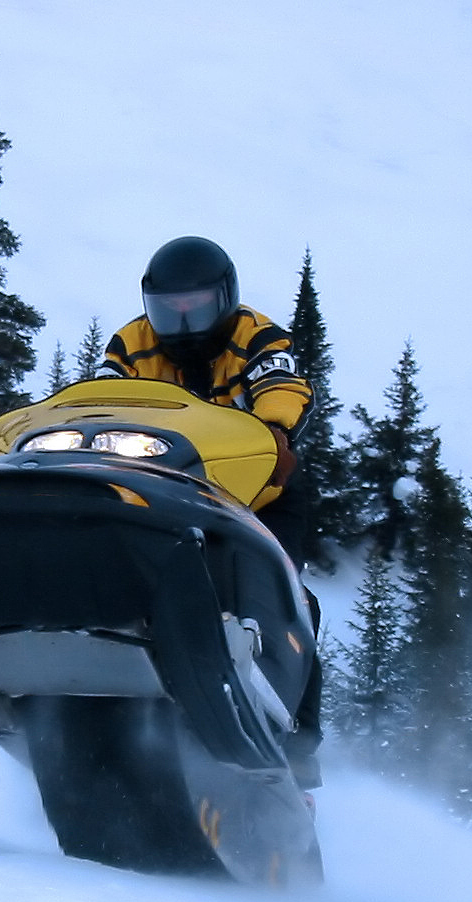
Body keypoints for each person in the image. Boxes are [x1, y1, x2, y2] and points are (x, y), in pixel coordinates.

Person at [97, 235, 324, 787]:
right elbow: (103, 396)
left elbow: (282, 383)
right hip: (167, 489)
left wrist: (276, 430)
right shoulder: (133, 342)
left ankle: (300, 739)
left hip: (260, 490)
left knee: (286, 587)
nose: (181, 321)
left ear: (224, 299)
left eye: (194, 306)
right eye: (168, 309)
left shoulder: (258, 335)